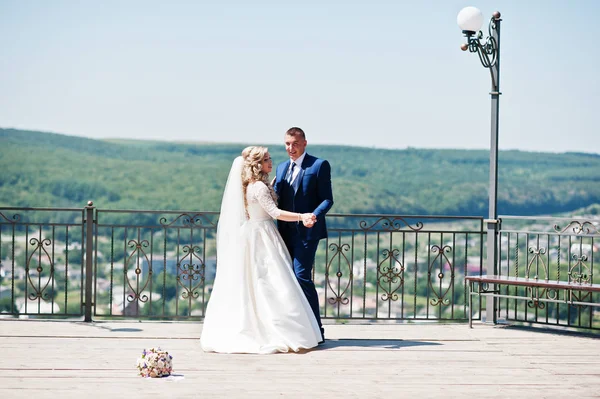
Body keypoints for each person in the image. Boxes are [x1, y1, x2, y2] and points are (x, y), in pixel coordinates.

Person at [200, 146, 322, 354]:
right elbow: (274, 212)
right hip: (263, 235)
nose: (270, 162)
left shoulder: (249, 186)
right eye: (266, 159)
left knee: (257, 282)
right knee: (271, 281)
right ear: (257, 164)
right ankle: (275, 329)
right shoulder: (258, 187)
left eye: (269, 158)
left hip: (252, 233)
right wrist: (302, 216)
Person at [273, 127, 334, 343]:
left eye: (295, 144)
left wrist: (314, 216)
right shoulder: (280, 168)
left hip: (308, 233)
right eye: (287, 144)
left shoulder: (318, 165)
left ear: (304, 143)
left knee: (301, 276)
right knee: (285, 279)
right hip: (283, 233)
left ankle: (317, 329)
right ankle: (293, 328)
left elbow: (327, 199)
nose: (291, 148)